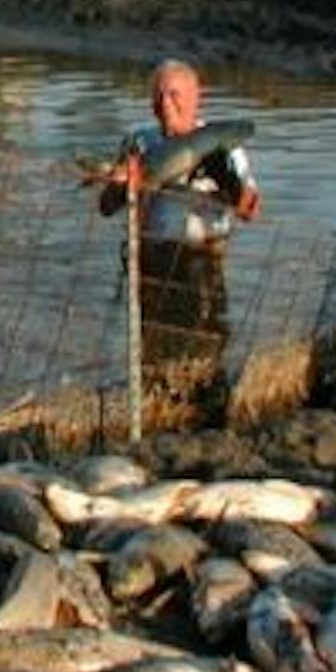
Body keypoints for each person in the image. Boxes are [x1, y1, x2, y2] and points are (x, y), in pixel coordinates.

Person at [96, 59, 261, 416]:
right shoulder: (139, 142)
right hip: (152, 260)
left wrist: (227, 183)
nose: (165, 103)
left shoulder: (224, 144)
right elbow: (106, 206)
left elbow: (250, 210)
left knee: (206, 345)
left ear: (195, 97)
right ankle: (156, 417)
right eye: (158, 95)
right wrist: (126, 185)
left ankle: (205, 417)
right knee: (153, 351)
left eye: (174, 94)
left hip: (203, 259)